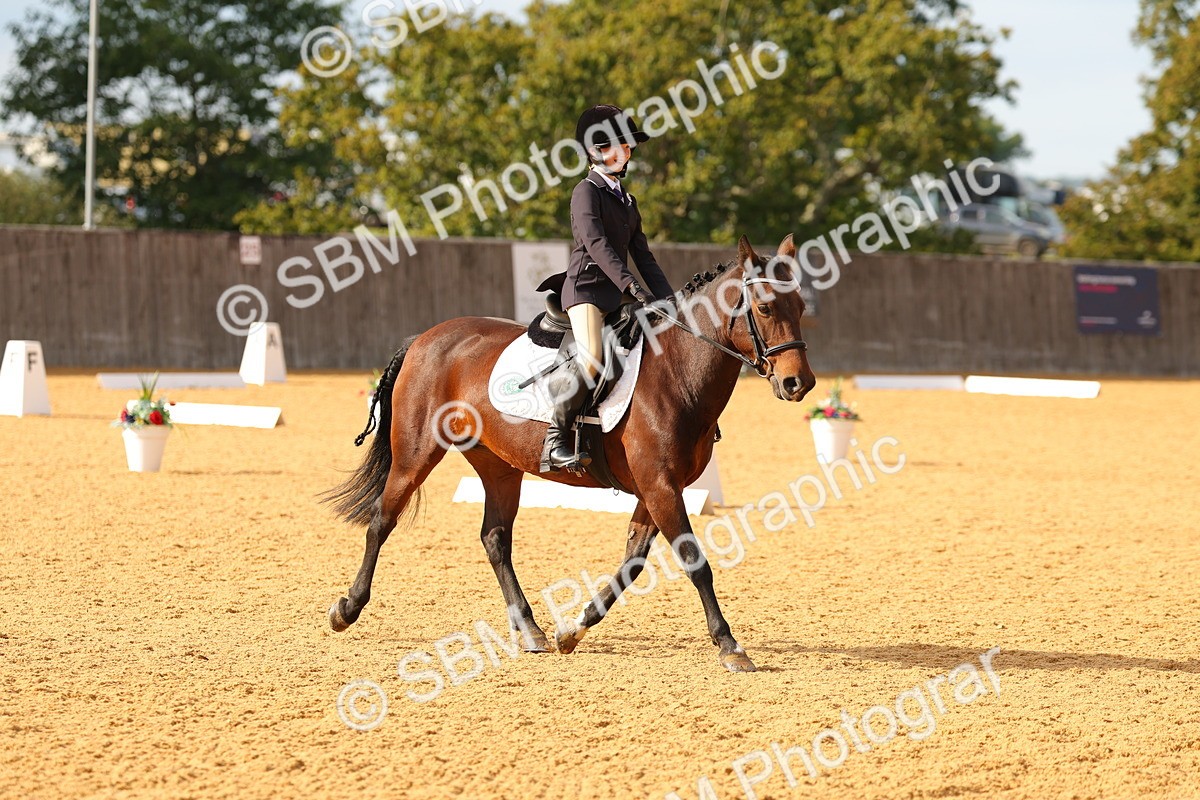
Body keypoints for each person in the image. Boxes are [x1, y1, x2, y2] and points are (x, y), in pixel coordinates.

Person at [541, 104, 675, 472]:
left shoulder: (627, 201)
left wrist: (670, 300)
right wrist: (631, 285)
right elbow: (596, 244)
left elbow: (644, 256)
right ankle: (554, 440)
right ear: (597, 150)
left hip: (617, 296)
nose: (628, 152)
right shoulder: (586, 192)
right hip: (586, 292)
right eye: (621, 146)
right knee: (593, 358)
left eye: (630, 147)